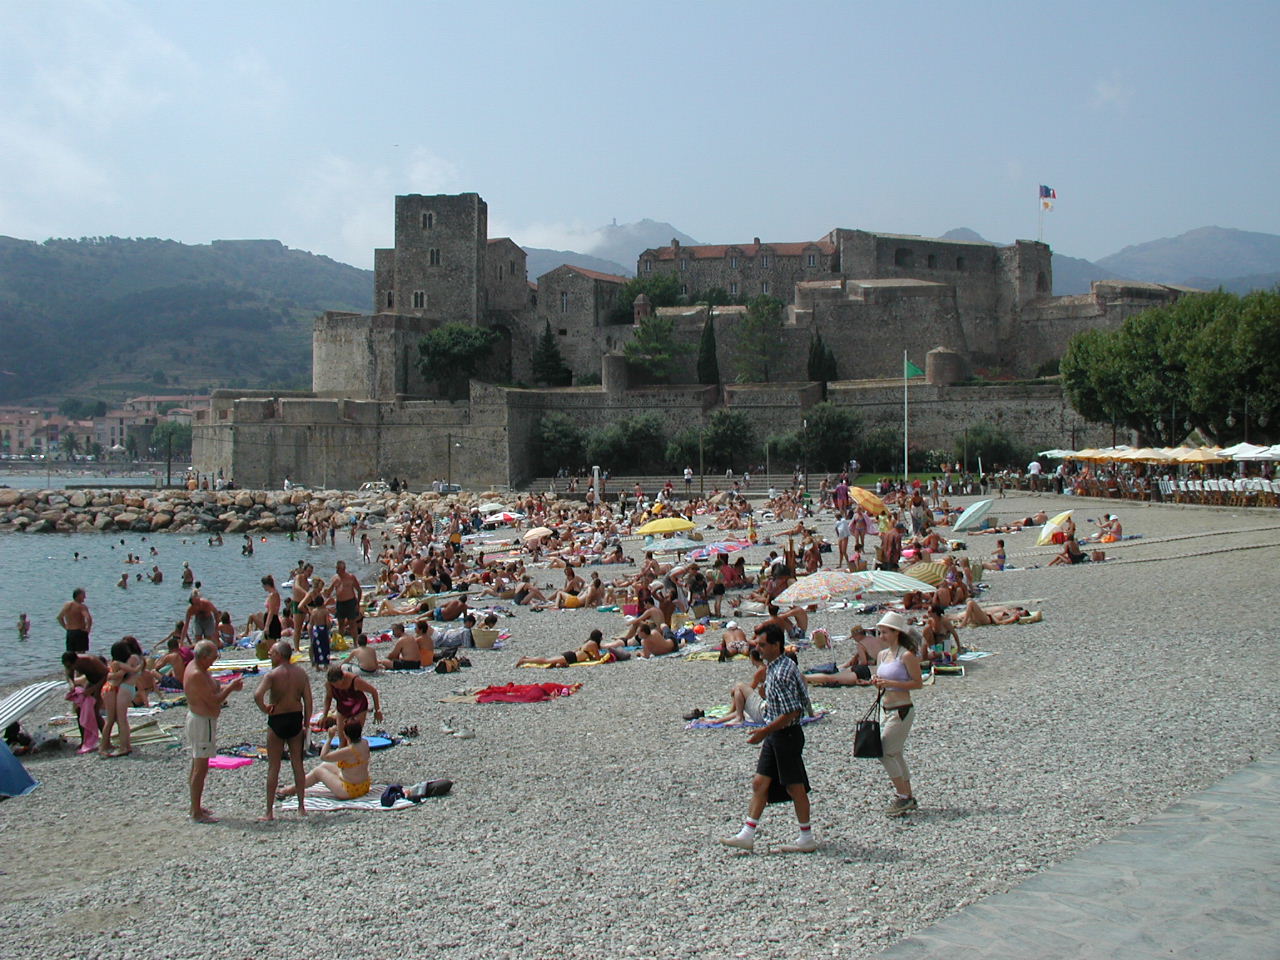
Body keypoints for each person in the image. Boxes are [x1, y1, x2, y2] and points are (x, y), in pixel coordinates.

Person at [719, 624, 817, 853]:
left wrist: (763, 731)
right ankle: (747, 834)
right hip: (777, 732)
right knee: (759, 783)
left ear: (776, 645)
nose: (758, 649)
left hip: (786, 734)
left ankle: (806, 838)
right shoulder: (777, 667)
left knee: (795, 787)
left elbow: (792, 712)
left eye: (763, 645)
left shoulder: (782, 671)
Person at [182, 640, 244, 823]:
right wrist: (230, 688)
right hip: (202, 722)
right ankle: (195, 812)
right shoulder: (196, 674)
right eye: (213, 657)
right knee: (200, 767)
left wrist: (228, 685)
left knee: (197, 764)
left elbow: (211, 688)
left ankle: (195, 806)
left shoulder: (199, 668)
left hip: (200, 719)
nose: (215, 661)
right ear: (203, 657)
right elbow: (214, 700)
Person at [871, 611, 924, 817]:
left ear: (896, 633)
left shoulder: (907, 655)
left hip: (902, 709)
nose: (881, 636)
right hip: (886, 709)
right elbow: (882, 678)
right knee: (896, 753)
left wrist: (891, 683)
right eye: (880, 632)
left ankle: (903, 796)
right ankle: (907, 795)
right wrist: (877, 682)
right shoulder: (882, 655)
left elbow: (918, 683)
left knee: (884, 751)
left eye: (885, 632)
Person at [253, 642, 313, 821]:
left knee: (274, 766)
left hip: (277, 719)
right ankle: (301, 807)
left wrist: (265, 708)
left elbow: (257, 695)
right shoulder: (301, 673)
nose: (269, 655)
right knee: (297, 764)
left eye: (272, 653)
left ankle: (269, 812)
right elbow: (308, 701)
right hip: (295, 718)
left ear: (279, 655)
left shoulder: (272, 675)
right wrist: (306, 724)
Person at [276, 720, 371, 801]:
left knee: (318, 771)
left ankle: (289, 790)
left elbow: (323, 756)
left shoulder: (349, 751)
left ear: (346, 734)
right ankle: (294, 787)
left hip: (349, 791)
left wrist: (329, 738)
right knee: (324, 765)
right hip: (363, 786)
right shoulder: (364, 743)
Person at [706, 648, 767, 726]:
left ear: (752, 657)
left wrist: (737, 689)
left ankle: (736, 715)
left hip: (763, 702)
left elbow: (752, 686)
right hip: (763, 700)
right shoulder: (764, 667)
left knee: (738, 688)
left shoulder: (760, 670)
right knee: (738, 693)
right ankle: (719, 720)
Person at [322, 667, 383, 744]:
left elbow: (373, 691)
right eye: (334, 685)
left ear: (342, 678)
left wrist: (377, 710)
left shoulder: (355, 681)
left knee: (353, 737)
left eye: (338, 684)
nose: (336, 687)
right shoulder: (329, 684)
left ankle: (359, 750)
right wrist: (324, 715)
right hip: (342, 708)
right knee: (342, 739)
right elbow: (328, 698)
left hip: (359, 707)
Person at [333, 560, 363, 638]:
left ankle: (355, 642)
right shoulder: (335, 578)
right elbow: (329, 591)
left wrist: (358, 603)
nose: (336, 570)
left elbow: (359, 590)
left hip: (350, 602)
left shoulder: (351, 577)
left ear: (343, 569)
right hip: (340, 603)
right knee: (341, 624)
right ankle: (341, 641)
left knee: (352, 623)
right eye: (336, 568)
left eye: (338, 568)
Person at [57, 588, 91, 653]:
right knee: (81, 653)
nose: (85, 597)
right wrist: (88, 629)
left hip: (70, 632)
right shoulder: (81, 606)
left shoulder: (67, 605)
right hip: (80, 632)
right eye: (83, 595)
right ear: (79, 595)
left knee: (71, 654)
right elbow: (88, 618)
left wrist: (66, 627)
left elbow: (59, 618)